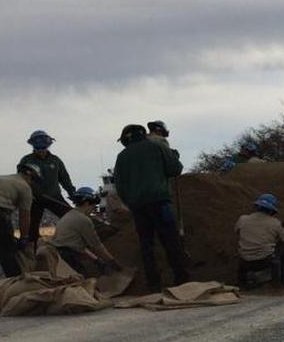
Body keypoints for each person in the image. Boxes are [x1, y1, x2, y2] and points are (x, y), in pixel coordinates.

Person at [113, 123, 188, 291]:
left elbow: (119, 185)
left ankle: (153, 284)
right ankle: (181, 280)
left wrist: (131, 202)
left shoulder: (122, 156)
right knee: (171, 241)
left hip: (138, 207)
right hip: (160, 202)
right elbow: (175, 170)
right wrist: (173, 156)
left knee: (146, 245)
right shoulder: (157, 147)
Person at [19, 130, 75, 241]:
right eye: (38, 149)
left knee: (72, 219)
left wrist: (72, 194)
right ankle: (31, 249)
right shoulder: (26, 160)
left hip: (54, 196)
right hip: (34, 199)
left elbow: (65, 179)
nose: (41, 151)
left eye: (43, 148)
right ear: (33, 146)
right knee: (31, 229)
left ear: (48, 146)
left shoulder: (55, 160)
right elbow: (20, 180)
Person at [51, 187, 121, 276]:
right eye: (93, 206)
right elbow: (97, 246)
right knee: (83, 281)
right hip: (67, 258)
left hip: (57, 255)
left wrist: (96, 260)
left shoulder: (69, 215)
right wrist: (113, 262)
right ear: (87, 203)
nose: (93, 209)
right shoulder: (83, 220)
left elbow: (77, 246)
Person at [235, 193, 284, 287]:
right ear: (271, 210)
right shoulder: (276, 223)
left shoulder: (242, 219)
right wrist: (283, 228)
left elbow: (237, 231)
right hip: (265, 260)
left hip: (245, 260)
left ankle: (243, 283)